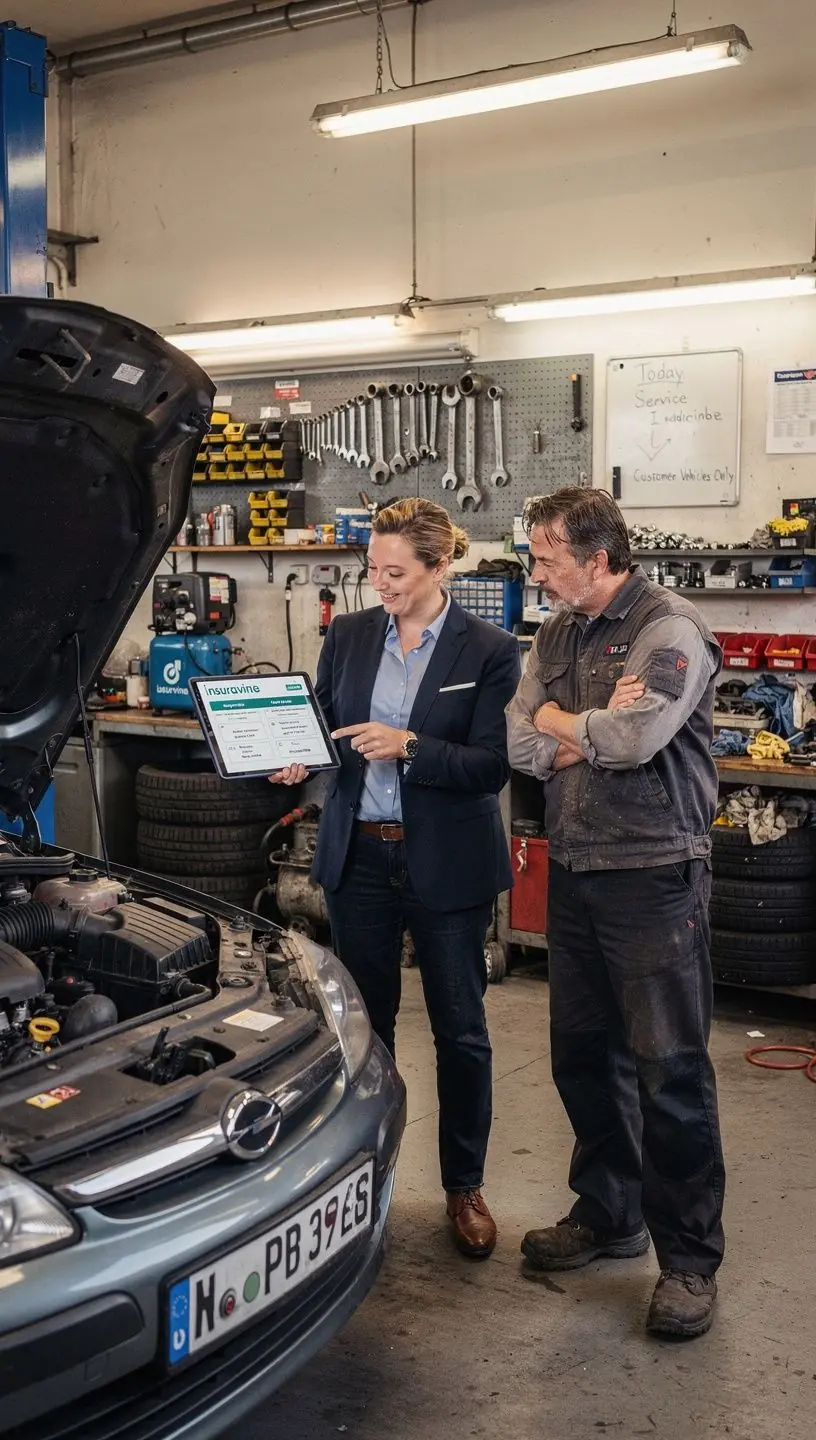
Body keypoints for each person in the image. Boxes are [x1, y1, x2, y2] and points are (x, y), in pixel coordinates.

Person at [271, 497, 521, 1258]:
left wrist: (410, 746)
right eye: (372, 569)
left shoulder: (489, 649)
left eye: (397, 572)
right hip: (361, 861)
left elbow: (489, 767)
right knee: (361, 1032)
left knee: (462, 1033)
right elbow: (321, 723)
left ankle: (464, 1186)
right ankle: (363, 1176)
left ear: (441, 566)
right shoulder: (348, 634)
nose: (381, 584)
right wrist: (297, 754)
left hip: (445, 862)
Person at [506, 486, 725, 1340]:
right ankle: (609, 1213)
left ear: (598, 560)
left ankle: (690, 1262)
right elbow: (517, 737)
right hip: (579, 868)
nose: (537, 571)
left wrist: (569, 726)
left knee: (669, 1071)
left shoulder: (668, 629)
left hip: (654, 876)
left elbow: (636, 742)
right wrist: (575, 725)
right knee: (584, 1057)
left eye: (547, 557)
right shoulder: (556, 633)